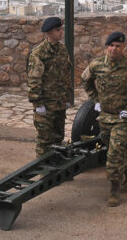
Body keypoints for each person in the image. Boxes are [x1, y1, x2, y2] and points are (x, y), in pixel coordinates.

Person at [81, 31, 127, 207]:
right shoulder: (96, 65)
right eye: (111, 45)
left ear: (124, 48)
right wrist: (95, 100)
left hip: (121, 118)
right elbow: (85, 80)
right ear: (107, 47)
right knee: (113, 148)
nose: (114, 49)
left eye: (118, 46)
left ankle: (114, 189)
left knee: (114, 152)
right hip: (105, 116)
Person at [27, 16, 74, 157]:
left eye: (61, 29)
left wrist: (67, 98)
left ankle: (56, 167)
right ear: (48, 33)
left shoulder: (62, 50)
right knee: (44, 142)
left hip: (59, 104)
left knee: (58, 138)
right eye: (57, 30)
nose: (61, 32)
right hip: (46, 106)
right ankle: (44, 173)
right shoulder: (38, 54)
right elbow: (34, 81)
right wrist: (38, 104)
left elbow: (66, 75)